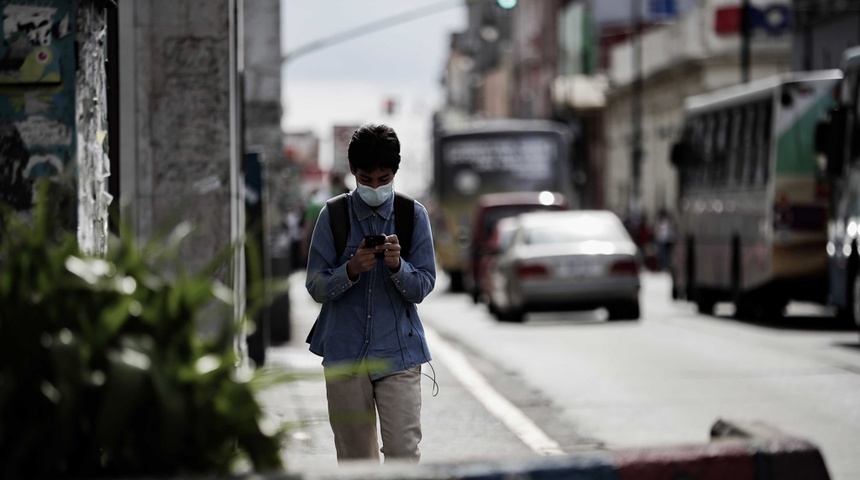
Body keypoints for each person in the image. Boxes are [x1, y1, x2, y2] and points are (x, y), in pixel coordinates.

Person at [304, 123, 437, 464]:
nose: (375, 187)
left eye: (383, 179)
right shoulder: (333, 216)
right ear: (353, 172)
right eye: (366, 180)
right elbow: (315, 286)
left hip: (399, 354)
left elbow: (423, 285)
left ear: (394, 172)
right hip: (345, 354)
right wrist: (350, 269)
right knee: (355, 460)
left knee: (403, 455)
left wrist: (397, 267)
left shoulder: (412, 215)